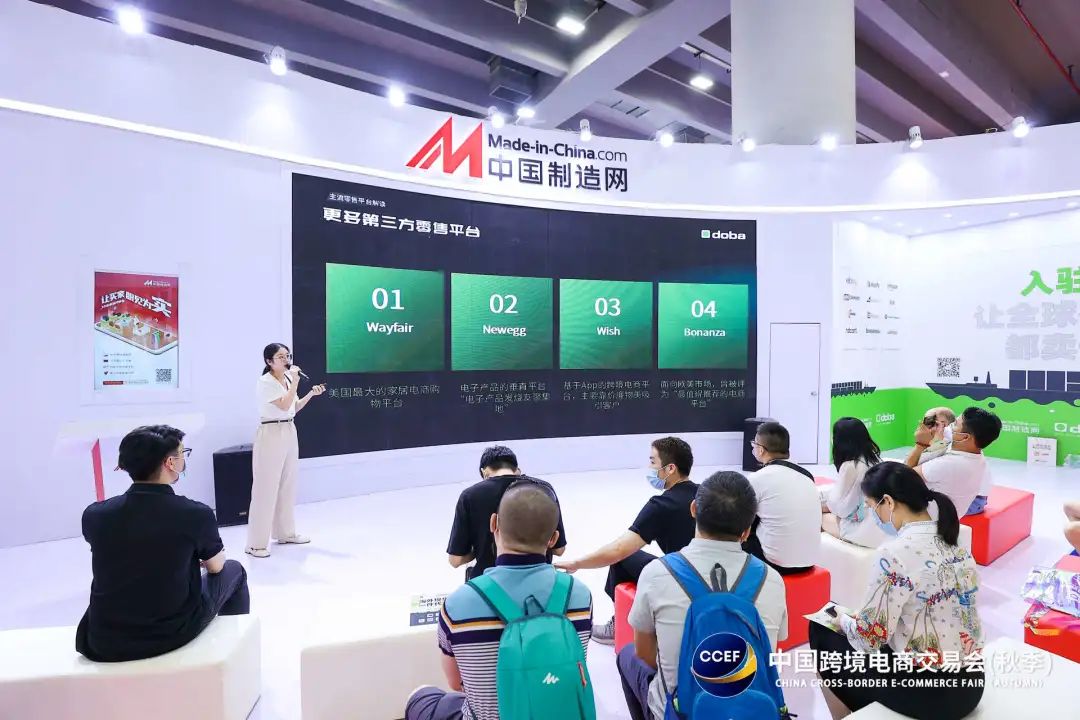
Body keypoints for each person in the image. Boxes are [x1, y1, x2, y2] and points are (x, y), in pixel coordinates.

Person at [809, 462, 985, 720]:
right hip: (971, 684)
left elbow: (870, 639)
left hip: (930, 695)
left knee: (821, 627)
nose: (874, 516)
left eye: (872, 507)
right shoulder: (955, 545)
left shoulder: (894, 553)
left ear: (888, 502)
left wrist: (843, 620)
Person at [406, 483, 593, 720]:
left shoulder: (458, 604)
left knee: (421, 697)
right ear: (553, 538)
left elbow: (456, 682)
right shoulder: (580, 595)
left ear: (494, 523)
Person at [618, 471, 788, 720]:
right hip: (751, 710)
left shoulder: (657, 573)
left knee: (626, 655)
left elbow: (645, 654)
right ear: (747, 530)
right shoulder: (771, 579)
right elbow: (770, 650)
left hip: (683, 712)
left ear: (694, 509)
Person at [76, 425, 250, 662]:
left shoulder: (95, 515)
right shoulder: (195, 514)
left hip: (102, 640)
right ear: (170, 462)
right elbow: (216, 567)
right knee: (235, 570)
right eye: (182, 453)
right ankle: (235, 655)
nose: (184, 459)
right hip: (168, 635)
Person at [556, 437, 698, 645]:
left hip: (684, 586)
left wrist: (578, 563)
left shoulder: (661, 506)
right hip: (716, 578)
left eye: (653, 461)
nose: (649, 467)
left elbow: (619, 550)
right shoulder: (706, 494)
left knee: (623, 560)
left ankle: (621, 625)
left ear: (670, 469)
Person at [246, 343, 325, 558]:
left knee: (287, 483)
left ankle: (285, 533)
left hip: (289, 429)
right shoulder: (266, 382)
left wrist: (311, 394)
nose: (286, 359)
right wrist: (296, 382)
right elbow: (282, 404)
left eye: (287, 356)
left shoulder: (289, 379)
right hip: (271, 431)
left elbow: (293, 407)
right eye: (281, 357)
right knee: (265, 487)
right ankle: (255, 543)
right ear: (269, 361)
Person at [446, 445, 567, 579]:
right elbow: (559, 549)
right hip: (540, 580)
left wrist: (480, 549)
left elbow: (455, 560)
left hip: (488, 584)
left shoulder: (469, 496)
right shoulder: (544, 489)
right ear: (517, 470)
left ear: (484, 472)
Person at [744, 422, 821, 574]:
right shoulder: (807, 476)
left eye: (754, 444)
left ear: (761, 449)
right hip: (810, 560)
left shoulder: (757, 478)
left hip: (775, 564)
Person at [905, 406, 1001, 518]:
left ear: (965, 437)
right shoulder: (976, 457)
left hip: (926, 520)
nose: (948, 427)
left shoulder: (948, 464)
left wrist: (920, 445)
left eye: (954, 424)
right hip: (950, 516)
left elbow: (902, 478)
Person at [821, 417, 886, 548]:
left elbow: (839, 507)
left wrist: (822, 505)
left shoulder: (850, 466)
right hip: (881, 526)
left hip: (862, 530)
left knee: (816, 515)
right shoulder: (876, 460)